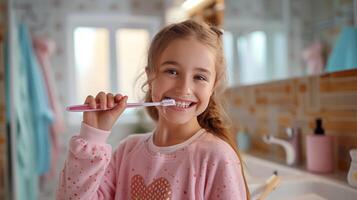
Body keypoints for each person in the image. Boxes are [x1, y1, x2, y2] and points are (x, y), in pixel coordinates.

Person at [57, 19, 249, 200]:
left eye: (199, 77)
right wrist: (93, 135)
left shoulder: (217, 156)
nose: (184, 88)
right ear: (150, 77)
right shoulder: (127, 151)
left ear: (213, 86)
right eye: (172, 72)